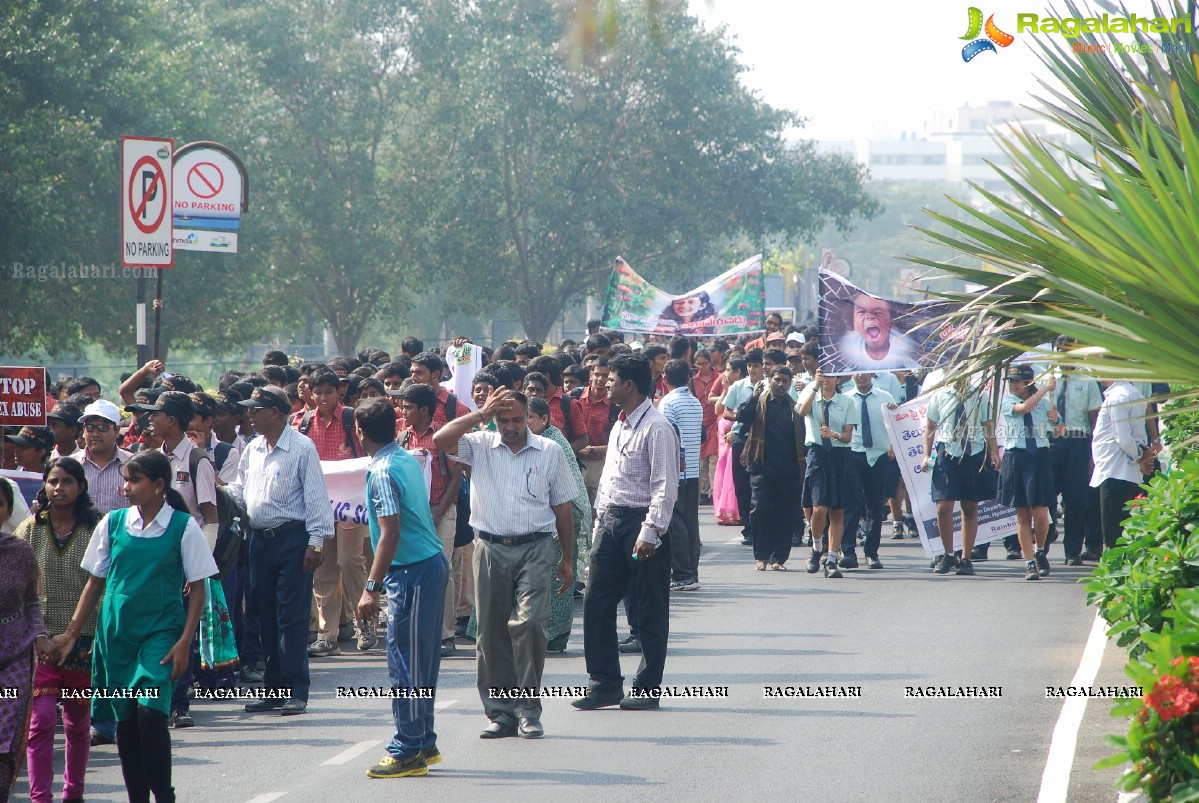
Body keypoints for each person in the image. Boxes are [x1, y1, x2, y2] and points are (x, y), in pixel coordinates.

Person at [62, 449, 218, 803]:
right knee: (127, 722)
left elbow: (198, 588)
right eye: (126, 480)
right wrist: (72, 631)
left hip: (161, 635)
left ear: (159, 485)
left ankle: (164, 794)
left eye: (134, 481)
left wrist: (184, 641)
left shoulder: (183, 526)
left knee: (150, 714)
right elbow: (95, 583)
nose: (126, 488)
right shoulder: (113, 523)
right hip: (116, 636)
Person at [433, 389, 575, 739]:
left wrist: (568, 558)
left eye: (517, 419)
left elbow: (562, 507)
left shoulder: (550, 451)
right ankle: (500, 712)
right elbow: (441, 439)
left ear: (529, 417)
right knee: (491, 633)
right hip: (490, 548)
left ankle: (528, 708)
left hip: (537, 547)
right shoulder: (479, 444)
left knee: (529, 625)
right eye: (503, 420)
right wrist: (480, 414)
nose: (510, 426)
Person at [573, 353, 679, 712]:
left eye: (612, 379)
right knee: (597, 601)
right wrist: (599, 518)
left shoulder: (658, 427)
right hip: (612, 523)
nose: (605, 384)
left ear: (629, 385)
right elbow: (609, 479)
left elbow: (665, 487)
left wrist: (650, 532)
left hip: (641, 525)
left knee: (648, 608)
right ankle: (604, 683)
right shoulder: (619, 424)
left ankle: (647, 688)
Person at [352, 398, 448, 779]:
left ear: (360, 433)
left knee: (406, 662)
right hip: (426, 566)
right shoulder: (405, 457)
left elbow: (389, 533)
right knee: (419, 661)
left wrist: (370, 588)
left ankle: (408, 748)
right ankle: (422, 739)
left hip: (412, 572)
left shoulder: (382, 471)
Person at [228, 386, 334, 716]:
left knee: (291, 617)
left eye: (255, 409)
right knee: (264, 616)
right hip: (259, 541)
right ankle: (274, 690)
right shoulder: (253, 448)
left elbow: (317, 500)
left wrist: (315, 544)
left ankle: (295, 690)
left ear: (275, 412)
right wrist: (216, 490)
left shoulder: (302, 448)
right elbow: (240, 490)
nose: (249, 414)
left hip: (293, 539)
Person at [17, 457, 100, 803]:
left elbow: (102, 586)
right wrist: (39, 637)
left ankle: (73, 792)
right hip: (40, 641)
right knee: (42, 720)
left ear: (80, 487)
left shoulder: (96, 531)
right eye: (53, 481)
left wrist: (72, 634)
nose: (59, 488)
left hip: (82, 640)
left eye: (67, 481)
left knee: (78, 723)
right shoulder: (29, 530)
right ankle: (40, 797)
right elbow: (17, 587)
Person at [301, 369, 372, 657]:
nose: (322, 397)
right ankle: (326, 634)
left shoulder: (351, 419)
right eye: (317, 392)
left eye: (328, 392)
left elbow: (366, 455)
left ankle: (364, 623)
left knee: (350, 561)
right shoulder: (303, 422)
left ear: (338, 392)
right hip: (320, 507)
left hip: (351, 505)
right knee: (324, 568)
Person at [396, 383, 464, 658]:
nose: (402, 411)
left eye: (408, 406)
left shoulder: (443, 436)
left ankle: (445, 634)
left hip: (442, 510)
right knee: (412, 570)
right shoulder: (402, 438)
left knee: (443, 569)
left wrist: (438, 512)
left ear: (424, 409)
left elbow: (456, 478)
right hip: (412, 514)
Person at [0, 478, 52, 801]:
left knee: (6, 733)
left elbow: (32, 604)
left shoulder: (20, 552)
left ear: (6, 509)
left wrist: (42, 636)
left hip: (14, 658)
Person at [525, 397, 590, 651]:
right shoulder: (532, 440)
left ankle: (554, 636)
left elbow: (563, 493)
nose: (525, 423)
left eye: (528, 417)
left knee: (558, 578)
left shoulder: (553, 443)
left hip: (562, 517)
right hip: (544, 517)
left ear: (544, 419)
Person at [921, 373, 999, 576]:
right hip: (948, 452)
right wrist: (926, 454)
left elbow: (987, 425)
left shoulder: (979, 396)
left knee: (969, 505)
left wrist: (993, 452)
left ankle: (965, 558)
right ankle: (947, 554)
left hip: (973, 453)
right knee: (943, 506)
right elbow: (930, 426)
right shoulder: (940, 396)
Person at [737, 365, 806, 571]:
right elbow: (742, 416)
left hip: (789, 469)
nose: (781, 384)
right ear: (769, 380)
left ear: (790, 383)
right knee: (760, 511)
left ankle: (779, 559)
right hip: (761, 469)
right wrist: (753, 397)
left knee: (785, 514)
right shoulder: (759, 402)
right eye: (777, 380)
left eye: (785, 381)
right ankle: (762, 556)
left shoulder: (795, 407)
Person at [998, 364, 1058, 581]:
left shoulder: (1043, 404)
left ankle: (1040, 549)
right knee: (1022, 514)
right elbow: (1023, 409)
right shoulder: (1008, 401)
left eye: (1017, 381)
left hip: (1039, 457)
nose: (1013, 385)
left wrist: (1056, 419)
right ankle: (1029, 561)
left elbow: (1060, 431)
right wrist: (1044, 388)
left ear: (1028, 383)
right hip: (1017, 457)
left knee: (1041, 514)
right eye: (1011, 381)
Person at [797, 370, 858, 577]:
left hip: (840, 456)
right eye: (824, 375)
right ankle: (816, 549)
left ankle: (832, 559)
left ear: (838, 379)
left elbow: (848, 436)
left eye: (832, 376)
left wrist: (835, 434)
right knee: (819, 508)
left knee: (837, 511)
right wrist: (814, 386)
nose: (827, 379)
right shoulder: (811, 393)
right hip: (817, 454)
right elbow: (802, 412)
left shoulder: (847, 401)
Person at [1090, 378, 1152, 552]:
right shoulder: (1132, 393)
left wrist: (1139, 456)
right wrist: (1141, 456)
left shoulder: (1119, 396)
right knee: (1122, 528)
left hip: (1116, 470)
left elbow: (1123, 438)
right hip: (1124, 470)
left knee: (1114, 533)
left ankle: (1116, 572)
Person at [659, 359, 704, 589]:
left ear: (665, 378)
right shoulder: (694, 402)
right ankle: (691, 572)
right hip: (693, 472)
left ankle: (683, 574)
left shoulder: (667, 403)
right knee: (689, 523)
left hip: (677, 470)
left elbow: (670, 438)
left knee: (675, 524)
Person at [836, 293, 920, 371]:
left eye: (878, 312)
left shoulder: (906, 347)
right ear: (854, 322)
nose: (869, 317)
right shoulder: (846, 347)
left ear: (891, 320)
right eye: (861, 312)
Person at [712, 358, 745, 526]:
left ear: (738, 372)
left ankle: (738, 511)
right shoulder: (731, 388)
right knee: (724, 471)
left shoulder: (743, 388)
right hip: (725, 436)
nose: (725, 373)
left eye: (729, 370)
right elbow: (719, 409)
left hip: (736, 433)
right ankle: (727, 510)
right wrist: (725, 391)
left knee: (733, 474)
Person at [693, 348, 722, 505]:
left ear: (710, 362)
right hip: (699, 423)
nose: (701, 367)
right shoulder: (693, 380)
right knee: (702, 459)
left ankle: (713, 491)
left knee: (714, 458)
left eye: (704, 363)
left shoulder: (719, 378)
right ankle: (703, 491)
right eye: (698, 364)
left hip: (716, 422)